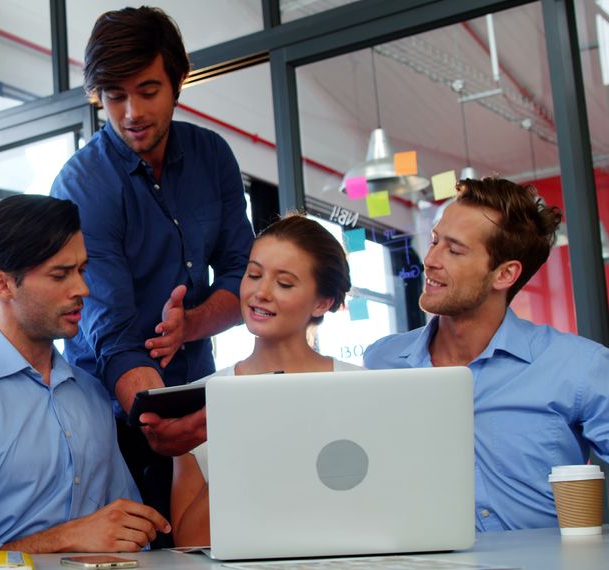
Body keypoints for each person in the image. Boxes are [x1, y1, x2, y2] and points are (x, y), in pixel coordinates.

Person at [50, 6, 255, 529]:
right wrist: (154, 414)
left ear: (178, 81)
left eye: (147, 90)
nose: (131, 113)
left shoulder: (213, 156)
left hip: (200, 398)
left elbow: (241, 277)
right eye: (114, 96)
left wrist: (193, 324)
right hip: (115, 417)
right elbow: (112, 334)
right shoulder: (84, 185)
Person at [0, 195, 170, 554]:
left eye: (81, 270)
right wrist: (65, 540)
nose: (82, 289)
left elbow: (127, 528)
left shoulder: (89, 392)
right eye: (60, 274)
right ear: (2, 285)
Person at [363, 177, 609, 532]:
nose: (430, 260)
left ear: (505, 274)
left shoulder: (578, 367)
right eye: (434, 241)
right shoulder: (380, 362)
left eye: (454, 250)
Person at [169, 214, 358, 546]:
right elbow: (189, 543)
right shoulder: (200, 399)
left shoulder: (364, 390)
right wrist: (245, 447)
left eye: (284, 283)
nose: (260, 292)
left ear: (323, 302)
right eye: (253, 274)